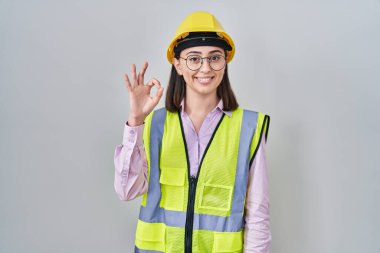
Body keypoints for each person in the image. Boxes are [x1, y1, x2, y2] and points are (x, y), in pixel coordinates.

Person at [114, 11, 271, 253]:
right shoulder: (154, 124)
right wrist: (135, 121)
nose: (205, 67)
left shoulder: (248, 128)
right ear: (177, 64)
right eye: (194, 59)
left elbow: (258, 216)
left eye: (214, 58)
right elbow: (127, 191)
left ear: (225, 61)